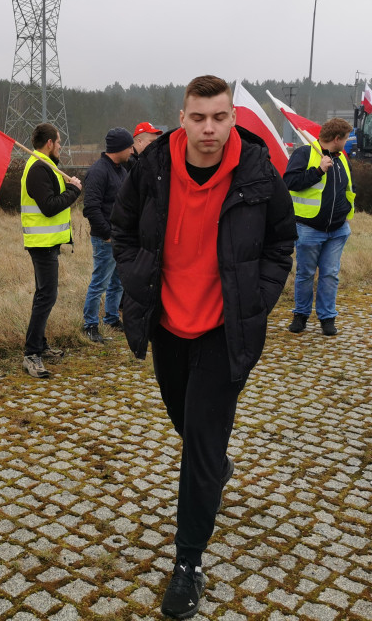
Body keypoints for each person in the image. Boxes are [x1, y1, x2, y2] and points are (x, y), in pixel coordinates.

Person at [111, 75, 295, 619]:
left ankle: (187, 563)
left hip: (224, 330)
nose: (209, 128)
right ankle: (215, 463)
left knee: (200, 446)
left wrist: (257, 299)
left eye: (219, 117)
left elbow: (281, 241)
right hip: (168, 326)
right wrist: (136, 276)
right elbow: (121, 228)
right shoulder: (152, 166)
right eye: (199, 117)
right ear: (183, 116)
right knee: (184, 422)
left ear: (232, 118)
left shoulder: (259, 171)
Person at [282, 117, 355, 336]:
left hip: (338, 230)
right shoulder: (304, 153)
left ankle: (327, 318)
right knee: (305, 273)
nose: (347, 141)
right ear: (336, 138)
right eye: (346, 138)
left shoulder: (342, 158)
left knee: (330, 274)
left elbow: (348, 187)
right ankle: (301, 315)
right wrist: (318, 171)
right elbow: (288, 182)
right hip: (309, 229)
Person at [20, 122, 82, 378]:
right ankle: (31, 353)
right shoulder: (38, 169)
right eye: (58, 142)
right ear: (49, 143)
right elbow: (49, 206)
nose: (60, 146)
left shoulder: (46, 166)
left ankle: (40, 345)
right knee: (47, 296)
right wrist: (74, 191)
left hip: (48, 243)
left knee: (44, 295)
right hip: (41, 244)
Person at [82, 127, 133, 343]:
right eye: (130, 146)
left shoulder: (121, 170)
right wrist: (107, 234)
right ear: (119, 147)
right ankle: (90, 325)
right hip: (106, 239)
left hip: (120, 237)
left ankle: (111, 319)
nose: (132, 150)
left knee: (118, 281)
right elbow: (90, 207)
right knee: (100, 282)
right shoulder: (98, 171)